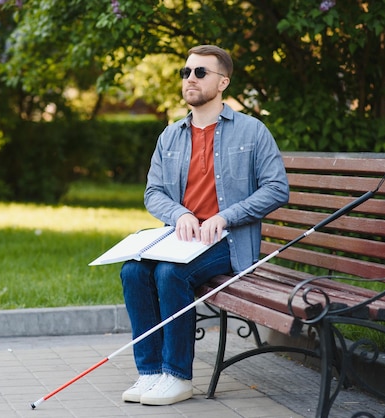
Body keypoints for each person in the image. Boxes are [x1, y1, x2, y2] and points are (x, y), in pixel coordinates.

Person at [120, 45, 290, 406]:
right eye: (186, 72)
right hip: (180, 239)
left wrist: (225, 216)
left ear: (223, 81)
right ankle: (150, 373)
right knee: (132, 272)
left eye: (200, 72)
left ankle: (178, 377)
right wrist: (180, 214)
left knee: (170, 275)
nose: (190, 79)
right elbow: (153, 192)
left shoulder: (252, 132)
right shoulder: (170, 135)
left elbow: (277, 189)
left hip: (227, 243)